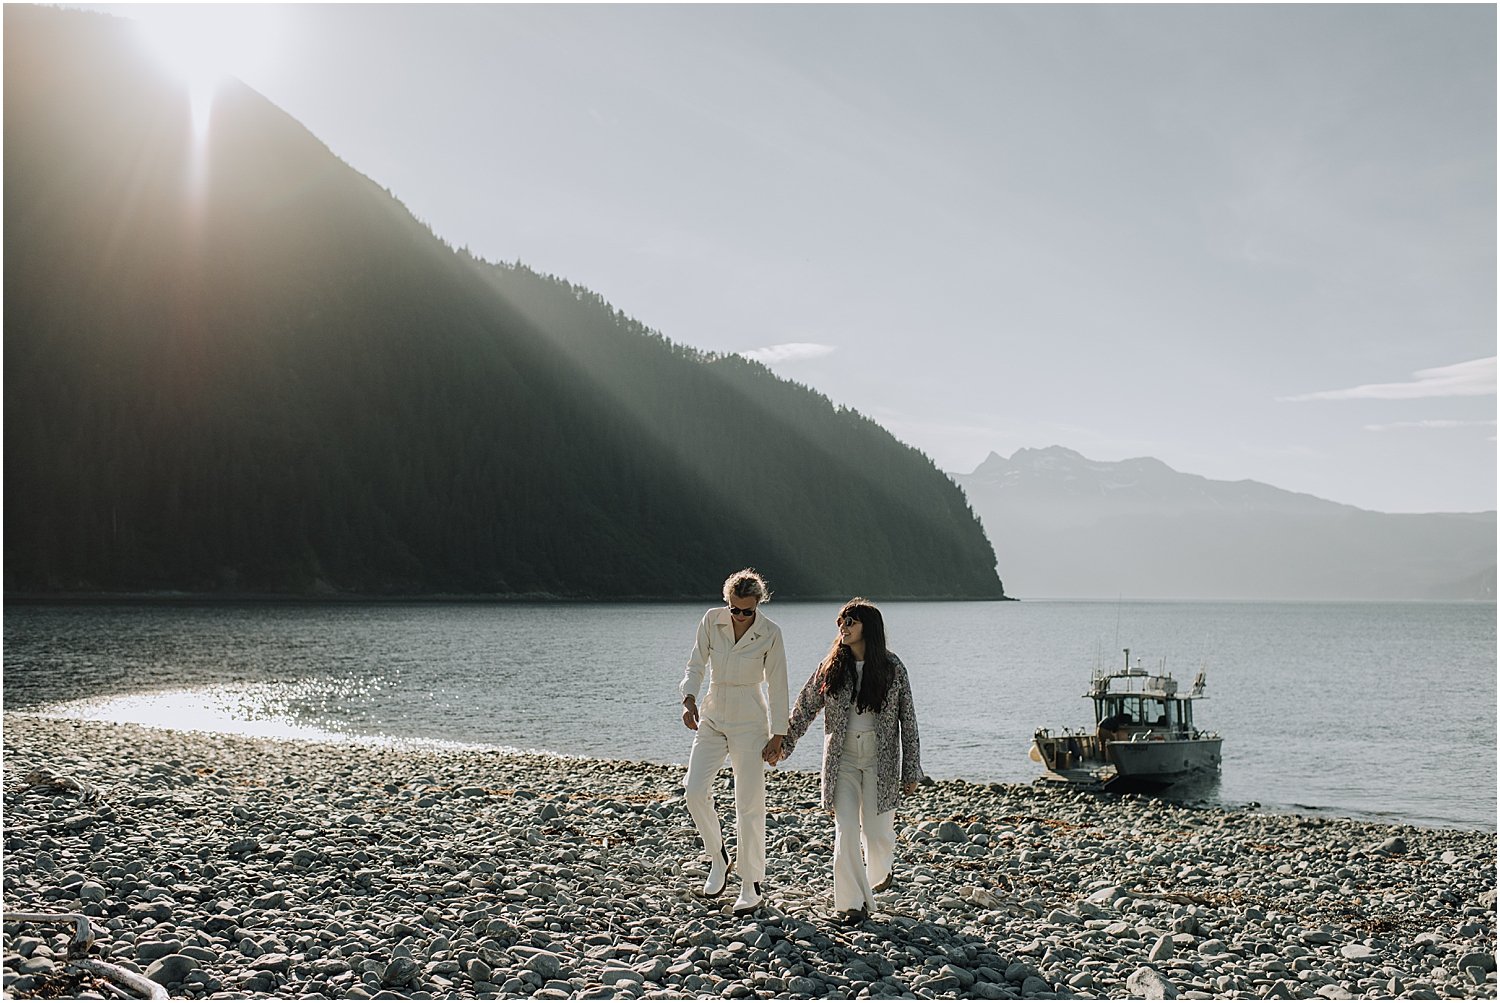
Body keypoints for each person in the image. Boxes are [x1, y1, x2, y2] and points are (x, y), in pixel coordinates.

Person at [768, 598, 921, 925]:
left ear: (869, 627)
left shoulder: (893, 668)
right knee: (847, 830)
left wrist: (911, 769)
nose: (843, 628)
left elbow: (908, 721)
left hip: (881, 761)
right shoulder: (832, 667)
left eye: (850, 622)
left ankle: (879, 874)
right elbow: (805, 707)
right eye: (841, 622)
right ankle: (850, 904)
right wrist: (784, 743)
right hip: (843, 760)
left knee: (878, 834)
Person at [680, 568, 789, 915]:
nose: (740, 615)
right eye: (734, 608)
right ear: (727, 602)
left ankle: (751, 883)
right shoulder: (712, 621)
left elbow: (778, 684)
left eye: (747, 610)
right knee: (694, 789)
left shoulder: (770, 633)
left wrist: (779, 734)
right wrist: (689, 698)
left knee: (749, 802)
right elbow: (696, 663)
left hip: (750, 718)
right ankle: (718, 857)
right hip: (713, 712)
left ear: (758, 605)